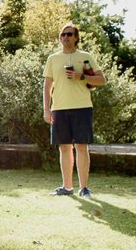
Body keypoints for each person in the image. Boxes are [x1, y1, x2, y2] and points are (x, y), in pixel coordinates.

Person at [42, 23, 106, 198]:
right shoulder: (53, 59)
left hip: (82, 107)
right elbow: (47, 86)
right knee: (64, 147)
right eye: (63, 34)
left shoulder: (85, 57)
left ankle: (84, 188)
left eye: (69, 34)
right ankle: (67, 187)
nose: (65, 37)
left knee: (81, 147)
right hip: (59, 109)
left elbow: (101, 80)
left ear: (76, 38)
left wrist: (82, 76)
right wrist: (46, 109)